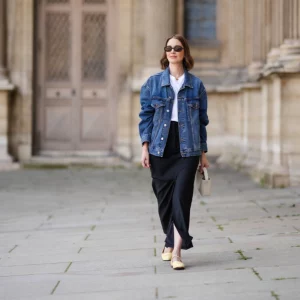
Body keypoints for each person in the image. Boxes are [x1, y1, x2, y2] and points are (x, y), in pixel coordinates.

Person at [138, 34, 209, 270]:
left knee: (181, 199)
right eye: (168, 47)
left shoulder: (196, 84)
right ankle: (169, 241)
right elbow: (146, 117)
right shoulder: (153, 83)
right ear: (165, 52)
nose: (172, 51)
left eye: (177, 48)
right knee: (164, 202)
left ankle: (177, 252)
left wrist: (203, 154)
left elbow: (201, 121)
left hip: (188, 148)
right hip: (161, 146)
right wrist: (145, 147)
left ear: (184, 52)